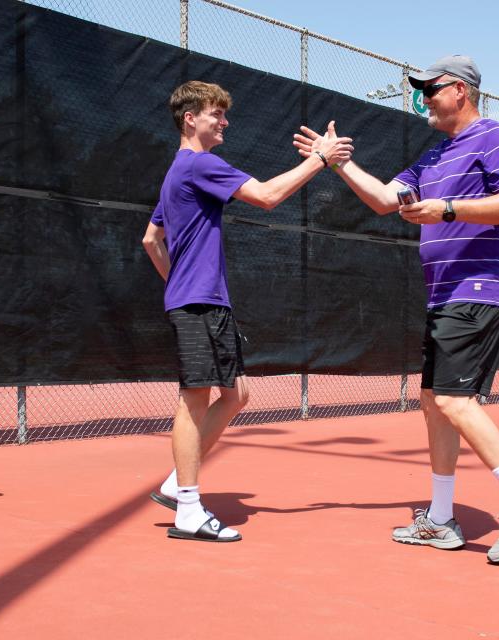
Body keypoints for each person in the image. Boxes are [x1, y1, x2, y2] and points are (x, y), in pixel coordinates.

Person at [293, 55, 499, 562]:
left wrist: (448, 209)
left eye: (430, 89)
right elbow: (382, 199)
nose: (422, 99)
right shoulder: (433, 157)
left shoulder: (495, 137)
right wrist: (338, 162)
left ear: (461, 91)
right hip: (444, 294)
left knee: (456, 403)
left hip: (479, 288)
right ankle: (440, 520)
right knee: (434, 402)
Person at [142, 80, 353, 542]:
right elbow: (268, 196)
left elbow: (151, 239)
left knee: (236, 395)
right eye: (216, 114)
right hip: (197, 301)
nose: (225, 122)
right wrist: (320, 159)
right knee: (194, 398)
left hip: (203, 299)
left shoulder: (177, 171)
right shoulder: (199, 164)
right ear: (189, 118)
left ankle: (178, 483)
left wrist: (177, 281)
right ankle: (188, 510)